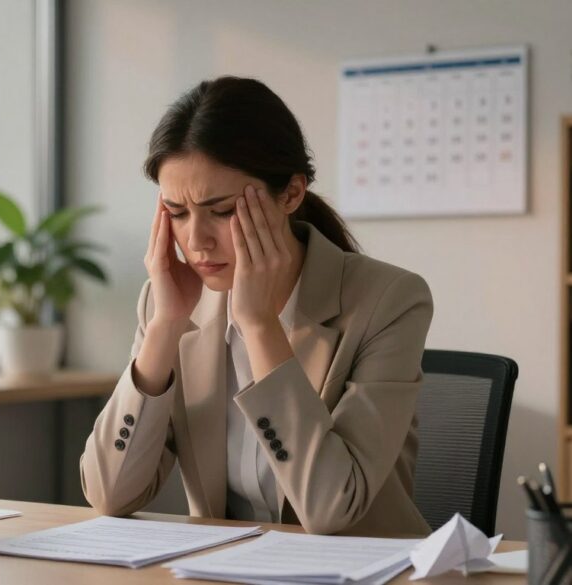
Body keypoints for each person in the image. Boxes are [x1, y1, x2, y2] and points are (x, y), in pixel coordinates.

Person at [80, 76, 433, 536]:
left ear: (290, 193)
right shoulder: (167, 301)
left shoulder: (389, 301)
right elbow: (109, 494)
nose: (196, 240)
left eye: (222, 211)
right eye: (177, 213)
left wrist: (260, 324)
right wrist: (166, 325)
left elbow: (331, 508)